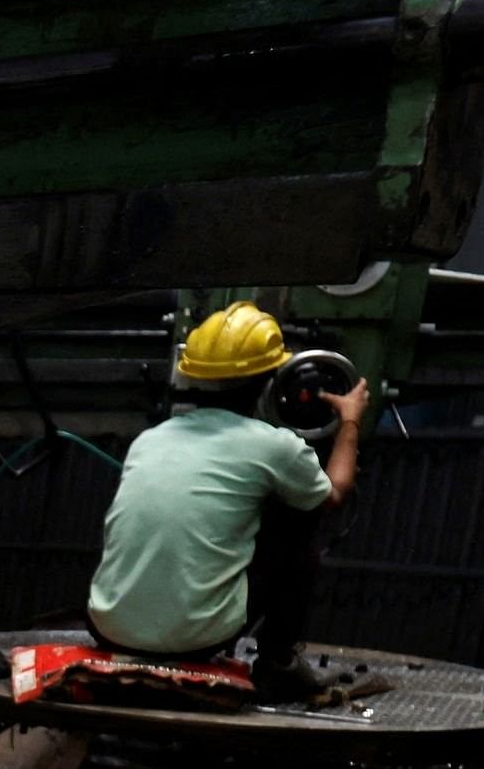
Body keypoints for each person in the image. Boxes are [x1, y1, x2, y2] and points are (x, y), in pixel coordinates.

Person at [86, 301, 374, 702]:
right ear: (272, 382)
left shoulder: (150, 439)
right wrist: (350, 419)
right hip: (196, 640)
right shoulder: (272, 447)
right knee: (301, 512)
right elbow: (336, 492)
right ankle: (278, 663)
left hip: (105, 627)